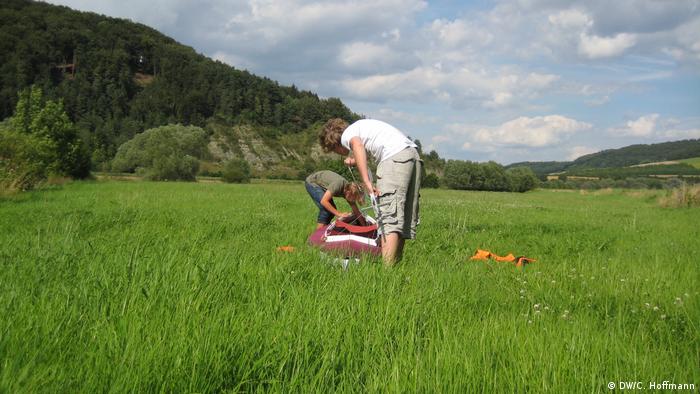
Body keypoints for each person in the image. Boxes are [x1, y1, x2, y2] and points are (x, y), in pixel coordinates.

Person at [319, 118, 422, 266]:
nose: (341, 153)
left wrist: (366, 181)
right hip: (413, 156)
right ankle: (396, 269)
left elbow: (358, 145)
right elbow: (366, 150)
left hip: (395, 160)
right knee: (402, 219)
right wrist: (354, 161)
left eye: (336, 150)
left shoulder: (348, 135)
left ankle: (386, 275)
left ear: (335, 143)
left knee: (388, 220)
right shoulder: (360, 128)